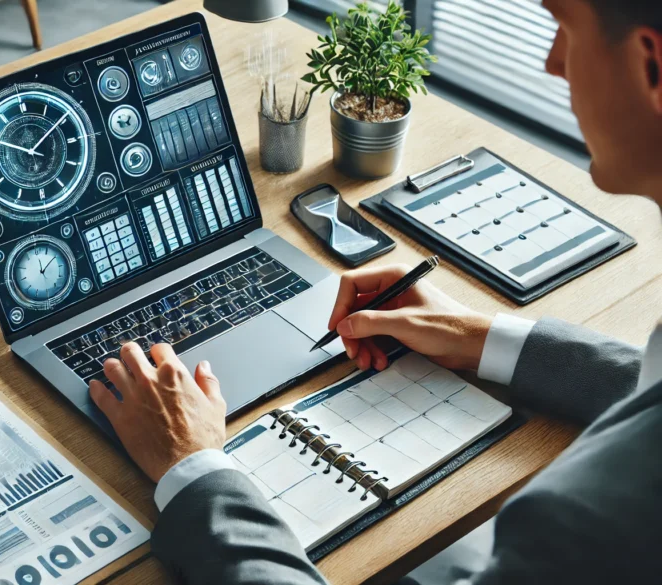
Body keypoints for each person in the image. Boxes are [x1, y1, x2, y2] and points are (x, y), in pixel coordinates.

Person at [87, 0, 662, 583]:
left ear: (651, 67)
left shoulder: (582, 526)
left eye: (565, 26)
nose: (552, 61)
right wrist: (478, 336)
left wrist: (193, 467)